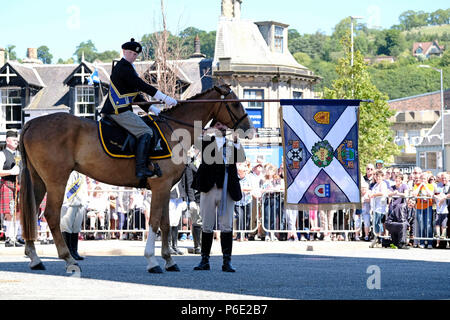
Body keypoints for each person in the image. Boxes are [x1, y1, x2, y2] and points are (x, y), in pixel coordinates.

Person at [100, 38, 177, 180]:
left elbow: (135, 95)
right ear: (124, 52)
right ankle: (141, 168)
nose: (133, 57)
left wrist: (153, 109)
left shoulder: (128, 68)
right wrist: (165, 98)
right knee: (146, 131)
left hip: (122, 109)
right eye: (131, 53)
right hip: (117, 110)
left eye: (136, 55)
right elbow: (141, 85)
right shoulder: (123, 67)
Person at [192, 119, 245, 272]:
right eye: (217, 124)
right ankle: (204, 260)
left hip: (227, 189)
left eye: (223, 124)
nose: (221, 126)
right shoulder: (206, 142)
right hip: (209, 188)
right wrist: (205, 131)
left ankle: (226, 261)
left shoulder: (231, 143)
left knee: (227, 225)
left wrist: (236, 140)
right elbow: (197, 141)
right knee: (207, 225)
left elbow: (241, 157)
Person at [0, 130, 23, 247]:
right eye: (14, 140)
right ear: (7, 140)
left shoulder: (19, 154)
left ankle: (17, 236)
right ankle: (9, 238)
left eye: (17, 140)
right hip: (7, 185)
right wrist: (10, 171)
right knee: (9, 212)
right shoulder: (2, 154)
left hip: (19, 186)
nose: (16, 142)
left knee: (18, 212)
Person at [60, 171, 89, 260]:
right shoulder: (68, 172)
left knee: (76, 228)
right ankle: (67, 252)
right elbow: (66, 187)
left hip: (80, 202)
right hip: (70, 203)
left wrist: (86, 201)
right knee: (67, 228)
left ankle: (74, 251)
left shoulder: (82, 173)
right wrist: (65, 203)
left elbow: (84, 188)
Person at [412, 172, 434, 248]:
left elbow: (431, 194)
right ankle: (422, 242)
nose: (423, 180)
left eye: (424, 178)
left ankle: (430, 242)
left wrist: (425, 186)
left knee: (428, 225)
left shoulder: (430, 185)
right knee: (421, 225)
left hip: (428, 207)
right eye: (421, 178)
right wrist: (420, 185)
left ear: (427, 179)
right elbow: (414, 194)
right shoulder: (417, 185)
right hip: (419, 207)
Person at [370, 170, 389, 239]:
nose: (378, 178)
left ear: (382, 177)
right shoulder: (375, 185)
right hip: (375, 207)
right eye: (377, 177)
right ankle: (377, 237)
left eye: (379, 177)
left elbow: (382, 193)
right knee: (376, 223)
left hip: (380, 208)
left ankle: (380, 237)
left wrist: (373, 195)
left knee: (379, 223)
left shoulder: (383, 184)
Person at [434, 172, 449, 246]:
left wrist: (443, 198)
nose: (443, 179)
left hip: (446, 207)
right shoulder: (438, 185)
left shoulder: (449, 185)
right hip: (441, 208)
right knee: (440, 223)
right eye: (442, 178)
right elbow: (435, 193)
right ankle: (441, 244)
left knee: (445, 224)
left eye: (445, 178)